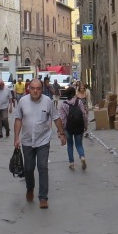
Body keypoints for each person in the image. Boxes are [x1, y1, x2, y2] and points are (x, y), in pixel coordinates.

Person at [14, 79, 65, 209]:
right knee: (29, 168)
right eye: (33, 88)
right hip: (27, 140)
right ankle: (30, 187)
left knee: (42, 167)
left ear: (41, 89)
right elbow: (18, 119)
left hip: (43, 140)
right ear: (29, 89)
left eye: (38, 88)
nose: (35, 91)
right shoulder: (22, 101)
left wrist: (62, 133)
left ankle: (43, 197)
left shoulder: (47, 101)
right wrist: (16, 138)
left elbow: (56, 118)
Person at [58, 82, 89, 170]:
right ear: (74, 93)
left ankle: (71, 163)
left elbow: (62, 118)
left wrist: (62, 130)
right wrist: (85, 125)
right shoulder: (78, 101)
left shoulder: (63, 104)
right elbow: (84, 114)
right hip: (79, 126)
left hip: (68, 127)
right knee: (79, 144)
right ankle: (82, 156)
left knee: (70, 144)